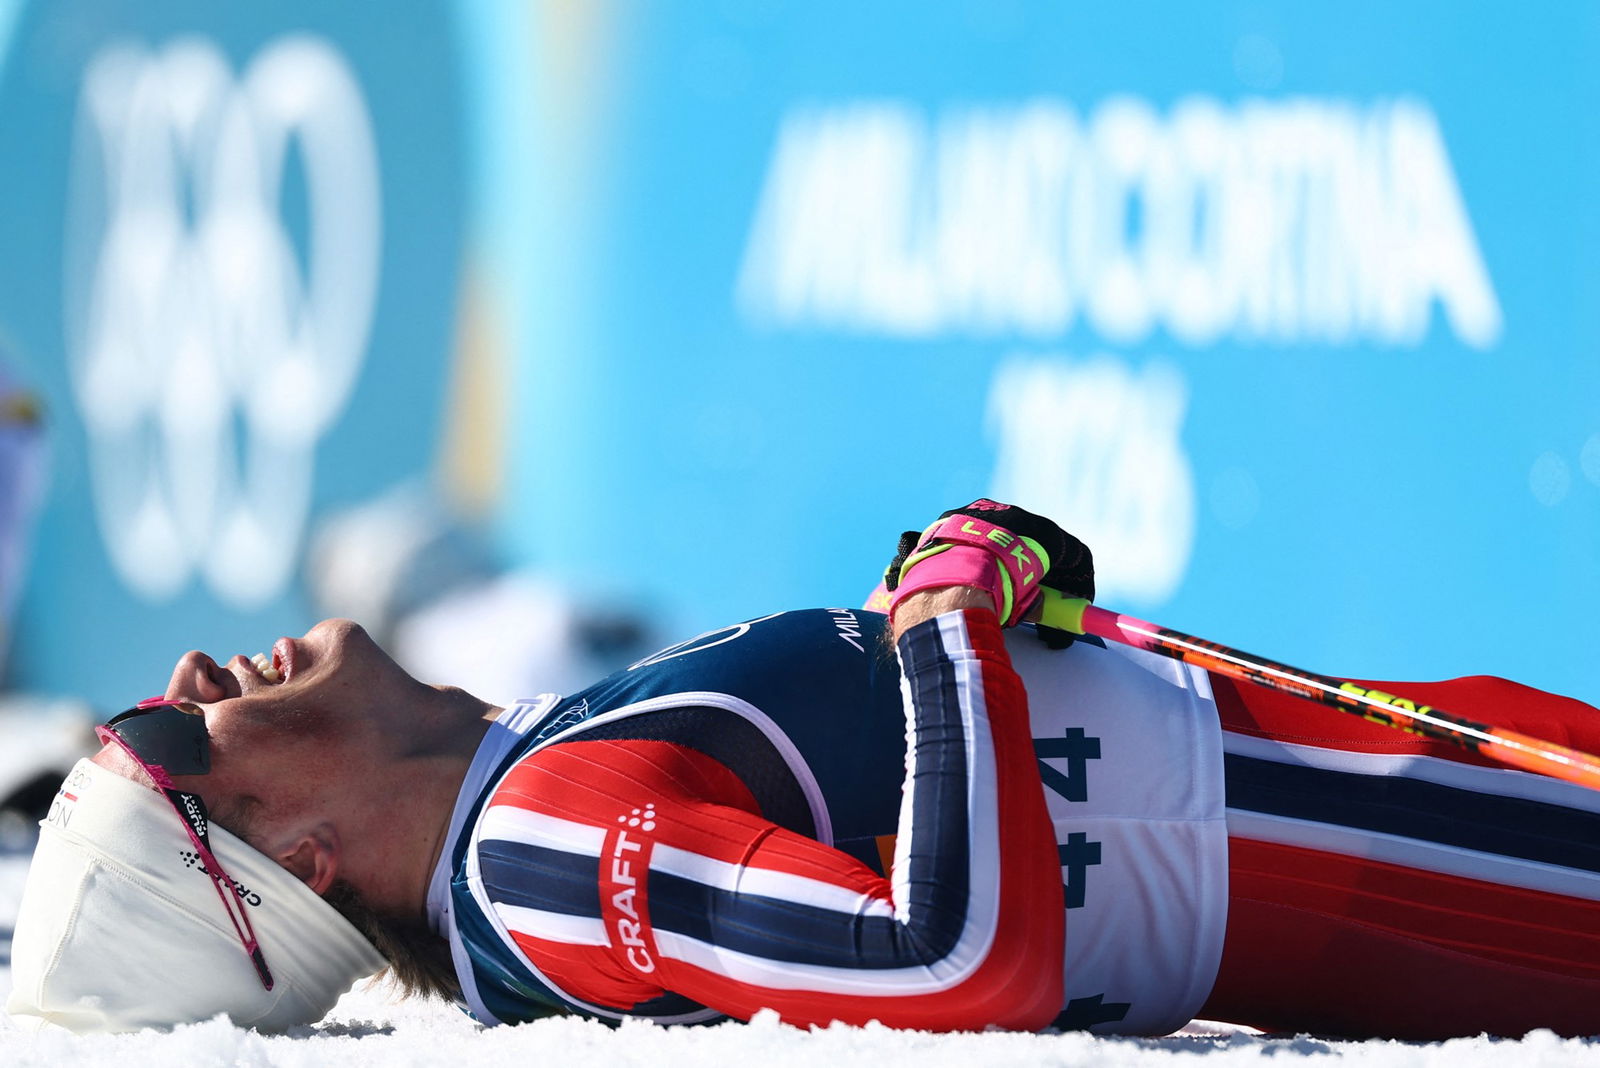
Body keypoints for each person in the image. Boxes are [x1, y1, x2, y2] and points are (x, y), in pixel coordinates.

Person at [9, 501, 1600, 1039]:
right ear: (297, 864)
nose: (188, 680)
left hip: (1354, 784)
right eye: (164, 741)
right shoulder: (546, 855)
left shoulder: (530, 791)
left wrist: (958, 601)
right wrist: (943, 622)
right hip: (1384, 855)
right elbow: (957, 961)